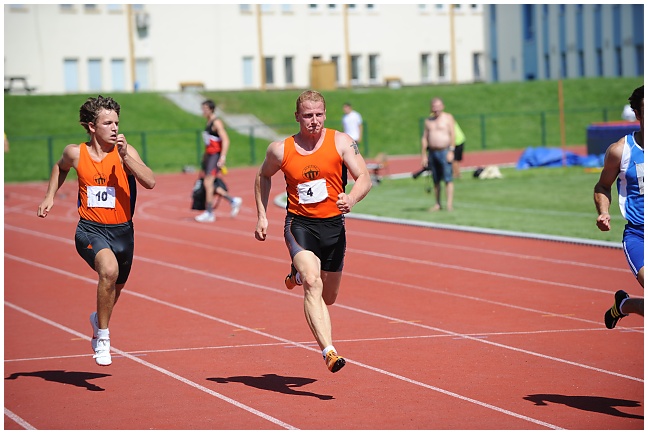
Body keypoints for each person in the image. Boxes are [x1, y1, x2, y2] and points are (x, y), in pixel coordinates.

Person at [254, 90, 372, 373]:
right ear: (297, 116)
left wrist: (351, 198)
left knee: (328, 297)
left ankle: (295, 275)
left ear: (325, 115)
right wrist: (262, 215)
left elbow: (364, 177)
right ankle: (329, 351)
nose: (314, 120)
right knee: (312, 281)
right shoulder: (280, 150)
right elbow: (263, 176)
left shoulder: (342, 142)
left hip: (333, 227)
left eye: (319, 114)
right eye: (308, 115)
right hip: (300, 225)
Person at [37, 95, 156, 365]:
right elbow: (60, 167)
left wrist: (126, 158)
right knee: (108, 271)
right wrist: (49, 196)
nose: (114, 128)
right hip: (90, 230)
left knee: (115, 288)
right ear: (92, 127)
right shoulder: (76, 153)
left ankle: (97, 319)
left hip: (123, 233)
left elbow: (150, 181)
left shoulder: (125, 152)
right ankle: (102, 338)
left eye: (117, 123)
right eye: (107, 123)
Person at [594, 85, 644, 329]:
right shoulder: (620, 151)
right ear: (637, 113)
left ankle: (624, 305)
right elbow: (603, 186)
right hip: (639, 235)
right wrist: (604, 212)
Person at [195, 99, 242, 222]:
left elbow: (226, 140)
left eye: (205, 109)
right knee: (211, 184)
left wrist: (222, 157)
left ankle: (209, 212)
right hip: (209, 156)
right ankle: (232, 201)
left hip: (215, 156)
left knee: (208, 183)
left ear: (211, 109)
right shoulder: (208, 122)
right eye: (202, 109)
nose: (203, 111)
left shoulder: (216, 123)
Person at [421, 97, 455, 211]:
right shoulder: (428, 121)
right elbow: (424, 138)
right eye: (434, 106)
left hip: (445, 151)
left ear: (443, 106)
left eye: (438, 106)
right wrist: (424, 155)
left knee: (448, 179)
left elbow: (453, 134)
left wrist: (451, 150)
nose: (436, 109)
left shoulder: (448, 118)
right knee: (435, 180)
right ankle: (437, 203)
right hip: (432, 152)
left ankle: (449, 204)